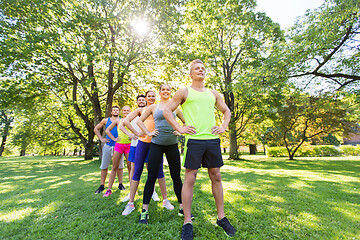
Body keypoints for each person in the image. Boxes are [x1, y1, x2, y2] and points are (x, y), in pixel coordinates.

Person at [163, 59, 237, 239]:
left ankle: (221, 217)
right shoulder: (184, 92)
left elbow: (226, 111)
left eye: (203, 68)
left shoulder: (213, 93)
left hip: (212, 140)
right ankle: (187, 221)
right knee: (190, 178)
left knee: (216, 176)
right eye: (197, 68)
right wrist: (180, 128)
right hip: (194, 141)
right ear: (191, 73)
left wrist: (223, 126)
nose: (200, 70)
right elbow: (167, 110)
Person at [137, 84, 186, 224]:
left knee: (176, 177)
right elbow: (140, 121)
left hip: (172, 146)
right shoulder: (153, 107)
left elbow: (185, 122)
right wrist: (148, 132)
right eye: (163, 89)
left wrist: (180, 130)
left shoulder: (176, 107)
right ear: (159, 93)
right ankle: (144, 212)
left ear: (171, 93)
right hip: (156, 145)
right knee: (151, 177)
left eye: (168, 89)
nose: (165, 91)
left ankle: (182, 208)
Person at [120, 90, 171, 216]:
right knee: (137, 170)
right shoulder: (140, 110)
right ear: (146, 98)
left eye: (153, 96)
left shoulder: (159, 109)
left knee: (159, 172)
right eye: (149, 96)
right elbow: (125, 122)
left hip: (156, 144)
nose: (151, 98)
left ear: (156, 96)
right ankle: (130, 203)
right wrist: (137, 133)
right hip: (142, 144)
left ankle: (165, 200)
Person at [120, 94, 147, 202]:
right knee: (133, 167)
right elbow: (122, 125)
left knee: (150, 167)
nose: (141, 101)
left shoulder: (149, 112)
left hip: (148, 143)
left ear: (145, 101)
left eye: (142, 100)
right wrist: (131, 134)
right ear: (136, 102)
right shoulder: (133, 114)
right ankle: (132, 192)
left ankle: (153, 191)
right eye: (139, 100)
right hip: (135, 144)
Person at [93, 106, 124, 194]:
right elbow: (96, 128)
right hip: (108, 146)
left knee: (119, 167)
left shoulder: (122, 120)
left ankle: (120, 184)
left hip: (119, 146)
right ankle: (102, 185)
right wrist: (101, 138)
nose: (115, 111)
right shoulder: (106, 120)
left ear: (119, 112)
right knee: (104, 166)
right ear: (111, 112)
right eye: (114, 110)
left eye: (117, 110)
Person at [103, 105, 132, 197]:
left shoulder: (133, 120)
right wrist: (114, 139)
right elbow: (107, 130)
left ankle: (132, 190)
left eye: (128, 111)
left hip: (129, 146)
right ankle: (109, 189)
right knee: (114, 167)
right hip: (119, 146)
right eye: (124, 110)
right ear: (122, 112)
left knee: (130, 168)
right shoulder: (117, 121)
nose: (126, 112)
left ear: (130, 112)